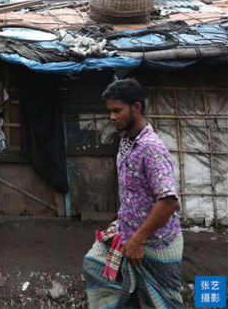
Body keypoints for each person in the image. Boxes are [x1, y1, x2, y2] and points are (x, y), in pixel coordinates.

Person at [83, 78, 183, 308]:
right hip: (127, 231)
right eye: (110, 112)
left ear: (136, 108)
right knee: (95, 266)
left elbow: (168, 202)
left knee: (162, 302)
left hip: (156, 242)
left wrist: (138, 240)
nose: (112, 117)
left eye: (117, 111)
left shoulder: (151, 148)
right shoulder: (127, 141)